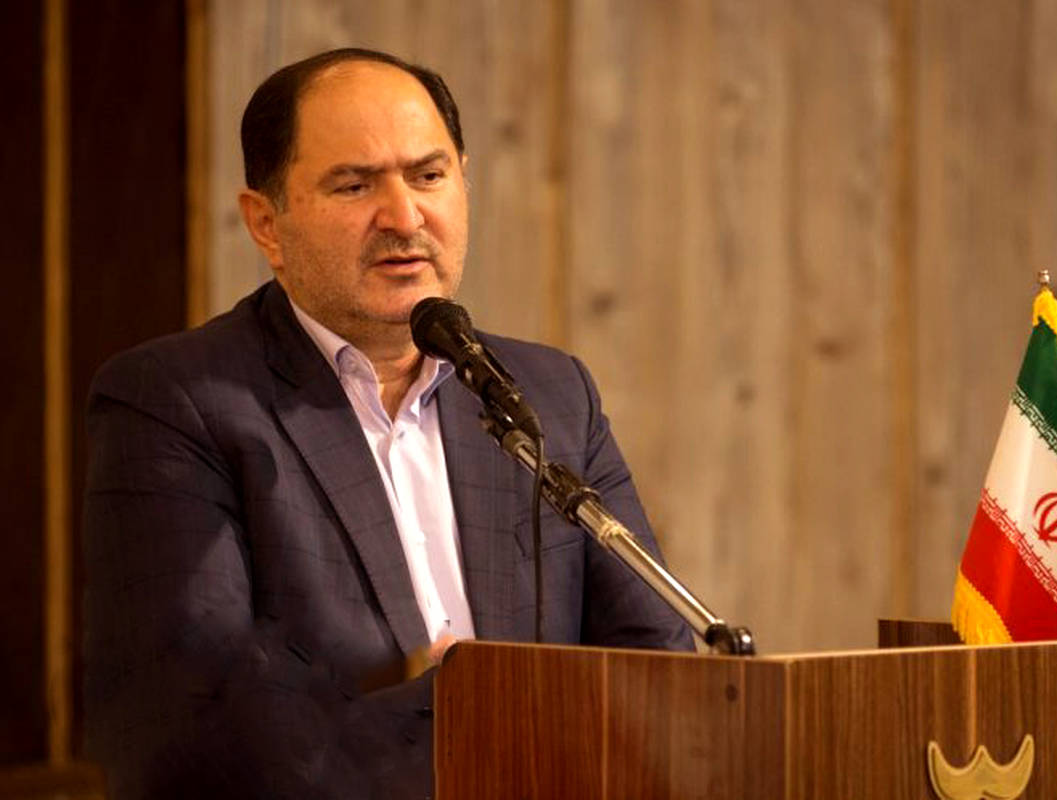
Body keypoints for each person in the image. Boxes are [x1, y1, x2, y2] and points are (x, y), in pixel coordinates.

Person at [82, 48, 693, 800]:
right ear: (266, 224)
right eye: (355, 184)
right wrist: (487, 717)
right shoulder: (177, 402)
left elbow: (656, 657)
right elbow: (194, 710)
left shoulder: (547, 395)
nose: (404, 217)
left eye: (428, 176)